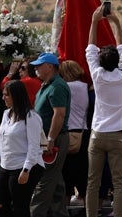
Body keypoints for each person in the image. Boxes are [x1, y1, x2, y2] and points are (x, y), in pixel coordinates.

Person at [85, 4, 122, 217]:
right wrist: (117, 23)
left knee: (92, 182)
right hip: (118, 136)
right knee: (119, 182)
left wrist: (94, 22)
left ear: (101, 63)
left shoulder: (97, 75)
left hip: (97, 135)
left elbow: (90, 49)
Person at [0, 80, 45, 217]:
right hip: (5, 164)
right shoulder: (6, 114)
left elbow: (34, 146)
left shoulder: (31, 117)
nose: (3, 98)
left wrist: (26, 169)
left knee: (20, 207)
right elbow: (0, 141)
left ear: (16, 96)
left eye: (6, 95)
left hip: (25, 165)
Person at [29, 52, 71, 217]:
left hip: (54, 138)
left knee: (45, 181)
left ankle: (35, 213)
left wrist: (51, 139)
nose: (36, 68)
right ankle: (59, 213)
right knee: (55, 180)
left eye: (39, 65)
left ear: (50, 66)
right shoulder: (46, 84)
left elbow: (59, 114)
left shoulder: (57, 86)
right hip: (46, 137)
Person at [58, 60, 89, 206]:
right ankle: (84, 200)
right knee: (82, 170)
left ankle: (66, 203)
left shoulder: (66, 87)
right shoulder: (85, 87)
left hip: (68, 131)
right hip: (83, 131)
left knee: (66, 172)